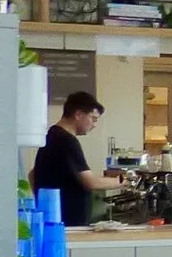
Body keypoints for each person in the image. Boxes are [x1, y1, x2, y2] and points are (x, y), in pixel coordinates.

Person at [30, 91, 124, 226]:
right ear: (78, 114)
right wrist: (122, 181)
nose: (94, 124)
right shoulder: (66, 140)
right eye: (93, 118)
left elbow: (33, 174)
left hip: (53, 219)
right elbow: (91, 183)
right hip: (68, 221)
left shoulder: (52, 135)